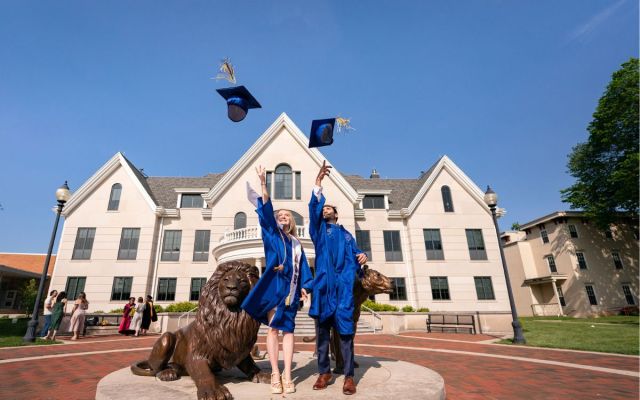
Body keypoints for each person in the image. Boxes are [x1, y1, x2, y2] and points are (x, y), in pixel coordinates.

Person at [241, 166, 314, 395]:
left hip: (291, 292)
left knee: (289, 331)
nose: (282, 217)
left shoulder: (296, 244)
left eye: (286, 216)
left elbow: (302, 268)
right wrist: (263, 184)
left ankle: (288, 374)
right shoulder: (272, 235)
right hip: (275, 288)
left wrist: (305, 287)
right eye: (279, 216)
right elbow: (266, 211)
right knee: (273, 329)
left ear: (291, 222)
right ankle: (275, 372)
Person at [308, 161, 367, 395]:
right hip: (324, 289)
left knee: (345, 334)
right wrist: (318, 183)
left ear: (336, 213)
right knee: (322, 335)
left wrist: (362, 256)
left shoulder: (346, 235)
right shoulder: (318, 231)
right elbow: (314, 211)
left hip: (342, 291)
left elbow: (356, 256)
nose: (325, 210)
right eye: (323, 208)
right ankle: (324, 372)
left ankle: (349, 376)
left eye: (328, 208)